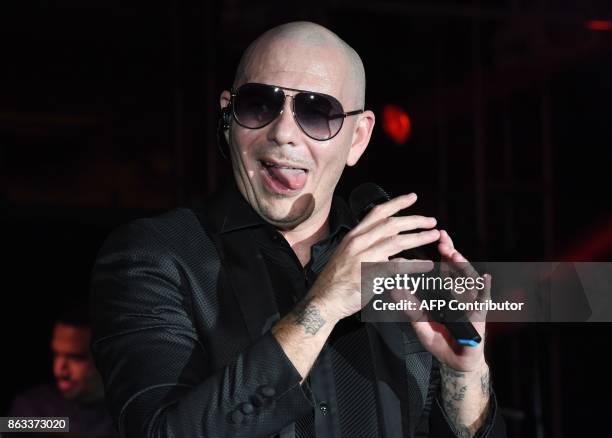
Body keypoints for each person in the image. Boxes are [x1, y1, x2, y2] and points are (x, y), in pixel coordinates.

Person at [90, 21, 506, 437]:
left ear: (358, 138)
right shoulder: (156, 256)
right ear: (228, 118)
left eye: (317, 112)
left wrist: (463, 374)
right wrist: (322, 307)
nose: (284, 134)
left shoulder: (399, 268)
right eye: (258, 105)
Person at [8, 306, 115, 437]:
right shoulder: (33, 406)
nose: (60, 368)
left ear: (105, 358)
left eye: (76, 357)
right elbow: (8, 425)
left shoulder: (131, 413)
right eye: (56, 354)